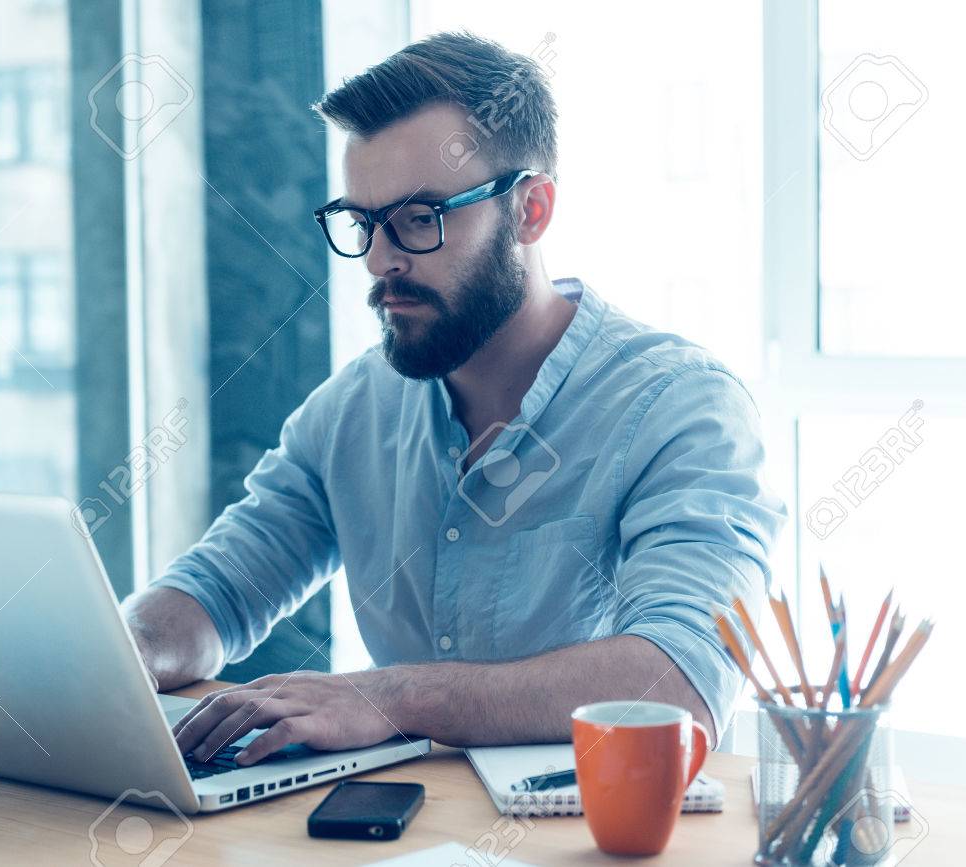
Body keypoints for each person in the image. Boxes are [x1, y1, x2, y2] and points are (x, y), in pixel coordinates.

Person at [122, 31, 786, 767]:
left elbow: (679, 683)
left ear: (530, 211)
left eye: (419, 219)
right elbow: (218, 590)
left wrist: (391, 696)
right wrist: (121, 655)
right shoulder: (352, 411)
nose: (380, 260)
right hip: (403, 832)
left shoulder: (684, 408)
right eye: (363, 222)